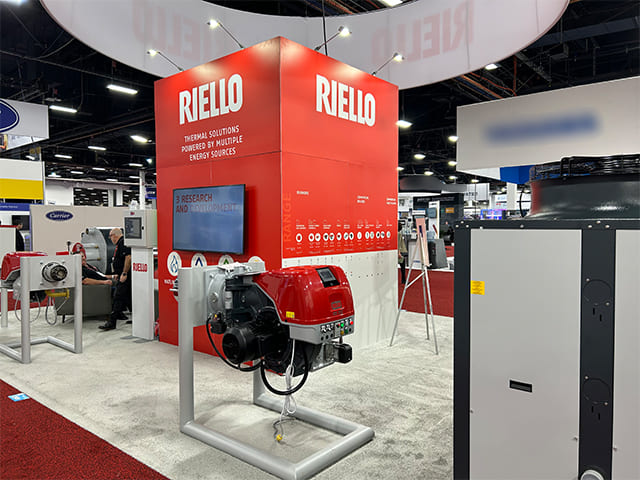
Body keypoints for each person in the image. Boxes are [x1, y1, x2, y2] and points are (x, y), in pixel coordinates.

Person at [99, 227, 131, 331]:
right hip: (121, 275)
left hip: (125, 276)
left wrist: (124, 273)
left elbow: (128, 258)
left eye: (110, 236)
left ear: (115, 235)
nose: (110, 239)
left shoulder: (123, 243)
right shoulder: (120, 244)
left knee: (118, 296)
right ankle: (133, 317)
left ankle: (112, 322)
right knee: (127, 297)